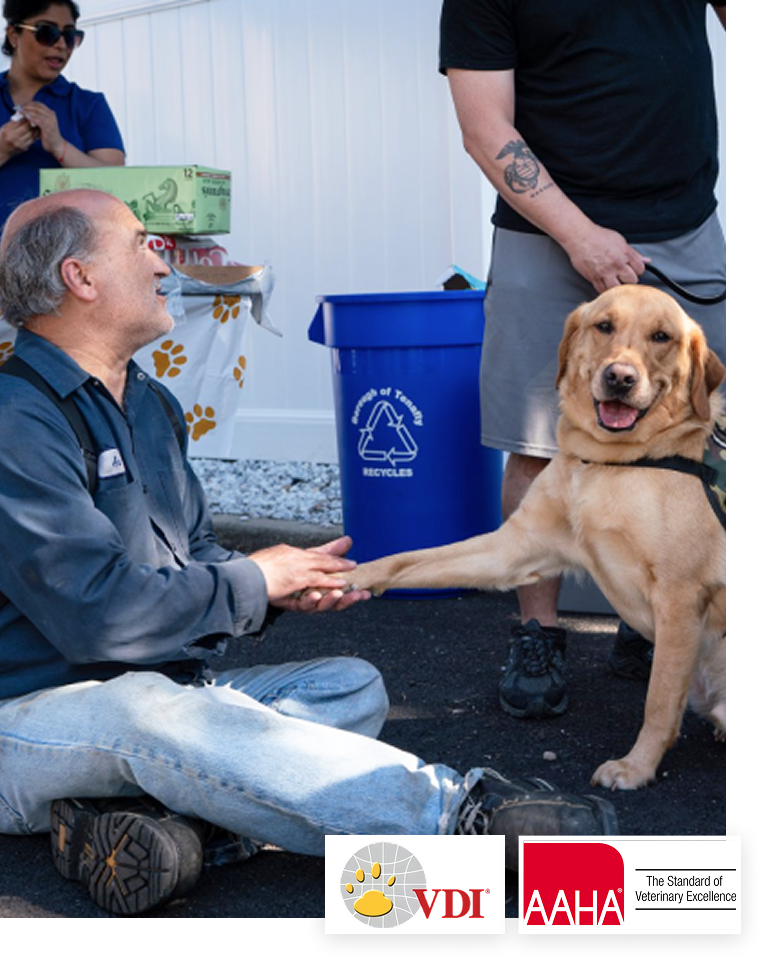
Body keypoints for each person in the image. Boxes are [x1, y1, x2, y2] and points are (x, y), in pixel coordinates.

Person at [0, 188, 618, 916]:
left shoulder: (149, 402)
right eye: (141, 244)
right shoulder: (16, 418)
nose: (163, 262)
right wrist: (251, 582)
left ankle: (177, 828)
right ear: (79, 277)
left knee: (349, 685)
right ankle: (459, 817)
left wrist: (279, 589)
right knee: (146, 710)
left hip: (168, 696)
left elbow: (196, 555)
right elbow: (97, 615)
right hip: (31, 722)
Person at [439, 0, 727, 718]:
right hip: (545, 229)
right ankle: (537, 632)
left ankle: (654, 616)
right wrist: (579, 236)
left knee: (700, 436)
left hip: (683, 220)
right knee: (538, 441)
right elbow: (484, 127)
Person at [0, 1, 125, 230]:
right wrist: (2, 150)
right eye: (47, 32)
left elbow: (117, 182)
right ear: (13, 35)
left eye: (69, 36)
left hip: (66, 249)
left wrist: (60, 147)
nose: (60, 45)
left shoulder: (88, 105)